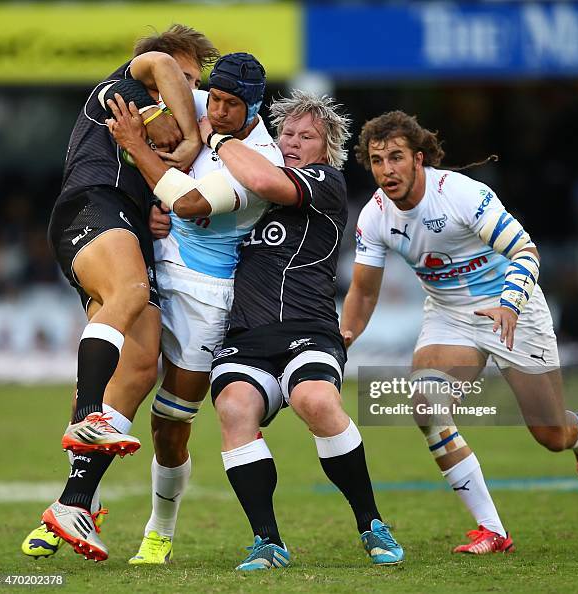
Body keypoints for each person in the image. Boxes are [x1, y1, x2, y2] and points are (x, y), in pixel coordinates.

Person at [341, 110, 578, 554]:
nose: (387, 170)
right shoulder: (374, 218)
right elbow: (364, 293)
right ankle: (492, 530)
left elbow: (526, 251)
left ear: (419, 159)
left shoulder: (462, 194)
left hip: (512, 309)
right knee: (426, 406)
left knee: (550, 435)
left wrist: (508, 303)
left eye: (396, 157)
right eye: (377, 160)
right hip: (449, 316)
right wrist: (341, 338)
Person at [23, 25, 219, 562]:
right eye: (184, 78)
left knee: (139, 364)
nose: (187, 89)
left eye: (193, 82)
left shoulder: (152, 123)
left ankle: (74, 501)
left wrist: (162, 205)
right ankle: (89, 412)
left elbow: (173, 185)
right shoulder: (123, 88)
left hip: (126, 226)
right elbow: (156, 62)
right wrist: (194, 136)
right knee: (130, 292)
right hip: (91, 208)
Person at [191, 90, 404, 570]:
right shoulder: (236, 189)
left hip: (308, 327)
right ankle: (268, 542)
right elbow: (194, 211)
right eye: (286, 132)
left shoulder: (324, 181)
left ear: (325, 149)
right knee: (233, 406)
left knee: (315, 400)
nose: (292, 141)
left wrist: (217, 136)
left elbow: (266, 178)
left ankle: (371, 523)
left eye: (306, 136)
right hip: (246, 336)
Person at [105, 52, 284, 565]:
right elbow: (154, 72)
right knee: (116, 384)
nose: (219, 109)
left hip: (206, 296)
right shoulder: (200, 103)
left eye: (232, 104)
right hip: (151, 264)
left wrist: (141, 146)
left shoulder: (261, 159)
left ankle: (159, 530)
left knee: (169, 424)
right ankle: (77, 500)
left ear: (254, 107)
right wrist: (174, 137)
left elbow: (187, 204)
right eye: (216, 98)